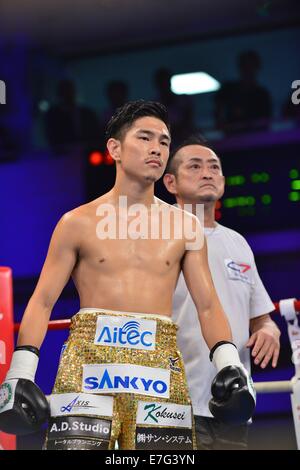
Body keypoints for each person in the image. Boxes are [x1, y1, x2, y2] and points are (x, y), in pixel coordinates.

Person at [0, 102, 255, 450]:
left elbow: (208, 305)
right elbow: (43, 300)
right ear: (115, 149)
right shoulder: (76, 223)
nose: (157, 148)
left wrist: (229, 365)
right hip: (89, 363)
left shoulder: (186, 226)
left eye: (164, 142)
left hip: (159, 364)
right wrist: (20, 372)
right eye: (145, 138)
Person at [163, 135, 280, 450]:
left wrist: (269, 330)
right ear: (170, 182)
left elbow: (261, 318)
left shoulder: (238, 242)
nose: (207, 173)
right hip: (172, 404)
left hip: (234, 400)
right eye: (196, 166)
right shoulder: (156, 235)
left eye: (214, 167)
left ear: (224, 182)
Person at [214, 50, 272, 134]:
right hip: (233, 138)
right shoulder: (228, 89)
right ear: (240, 67)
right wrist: (221, 124)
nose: (248, 70)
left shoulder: (262, 94)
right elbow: (218, 109)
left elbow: (266, 121)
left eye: (251, 66)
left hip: (257, 138)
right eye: (245, 66)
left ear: (257, 67)